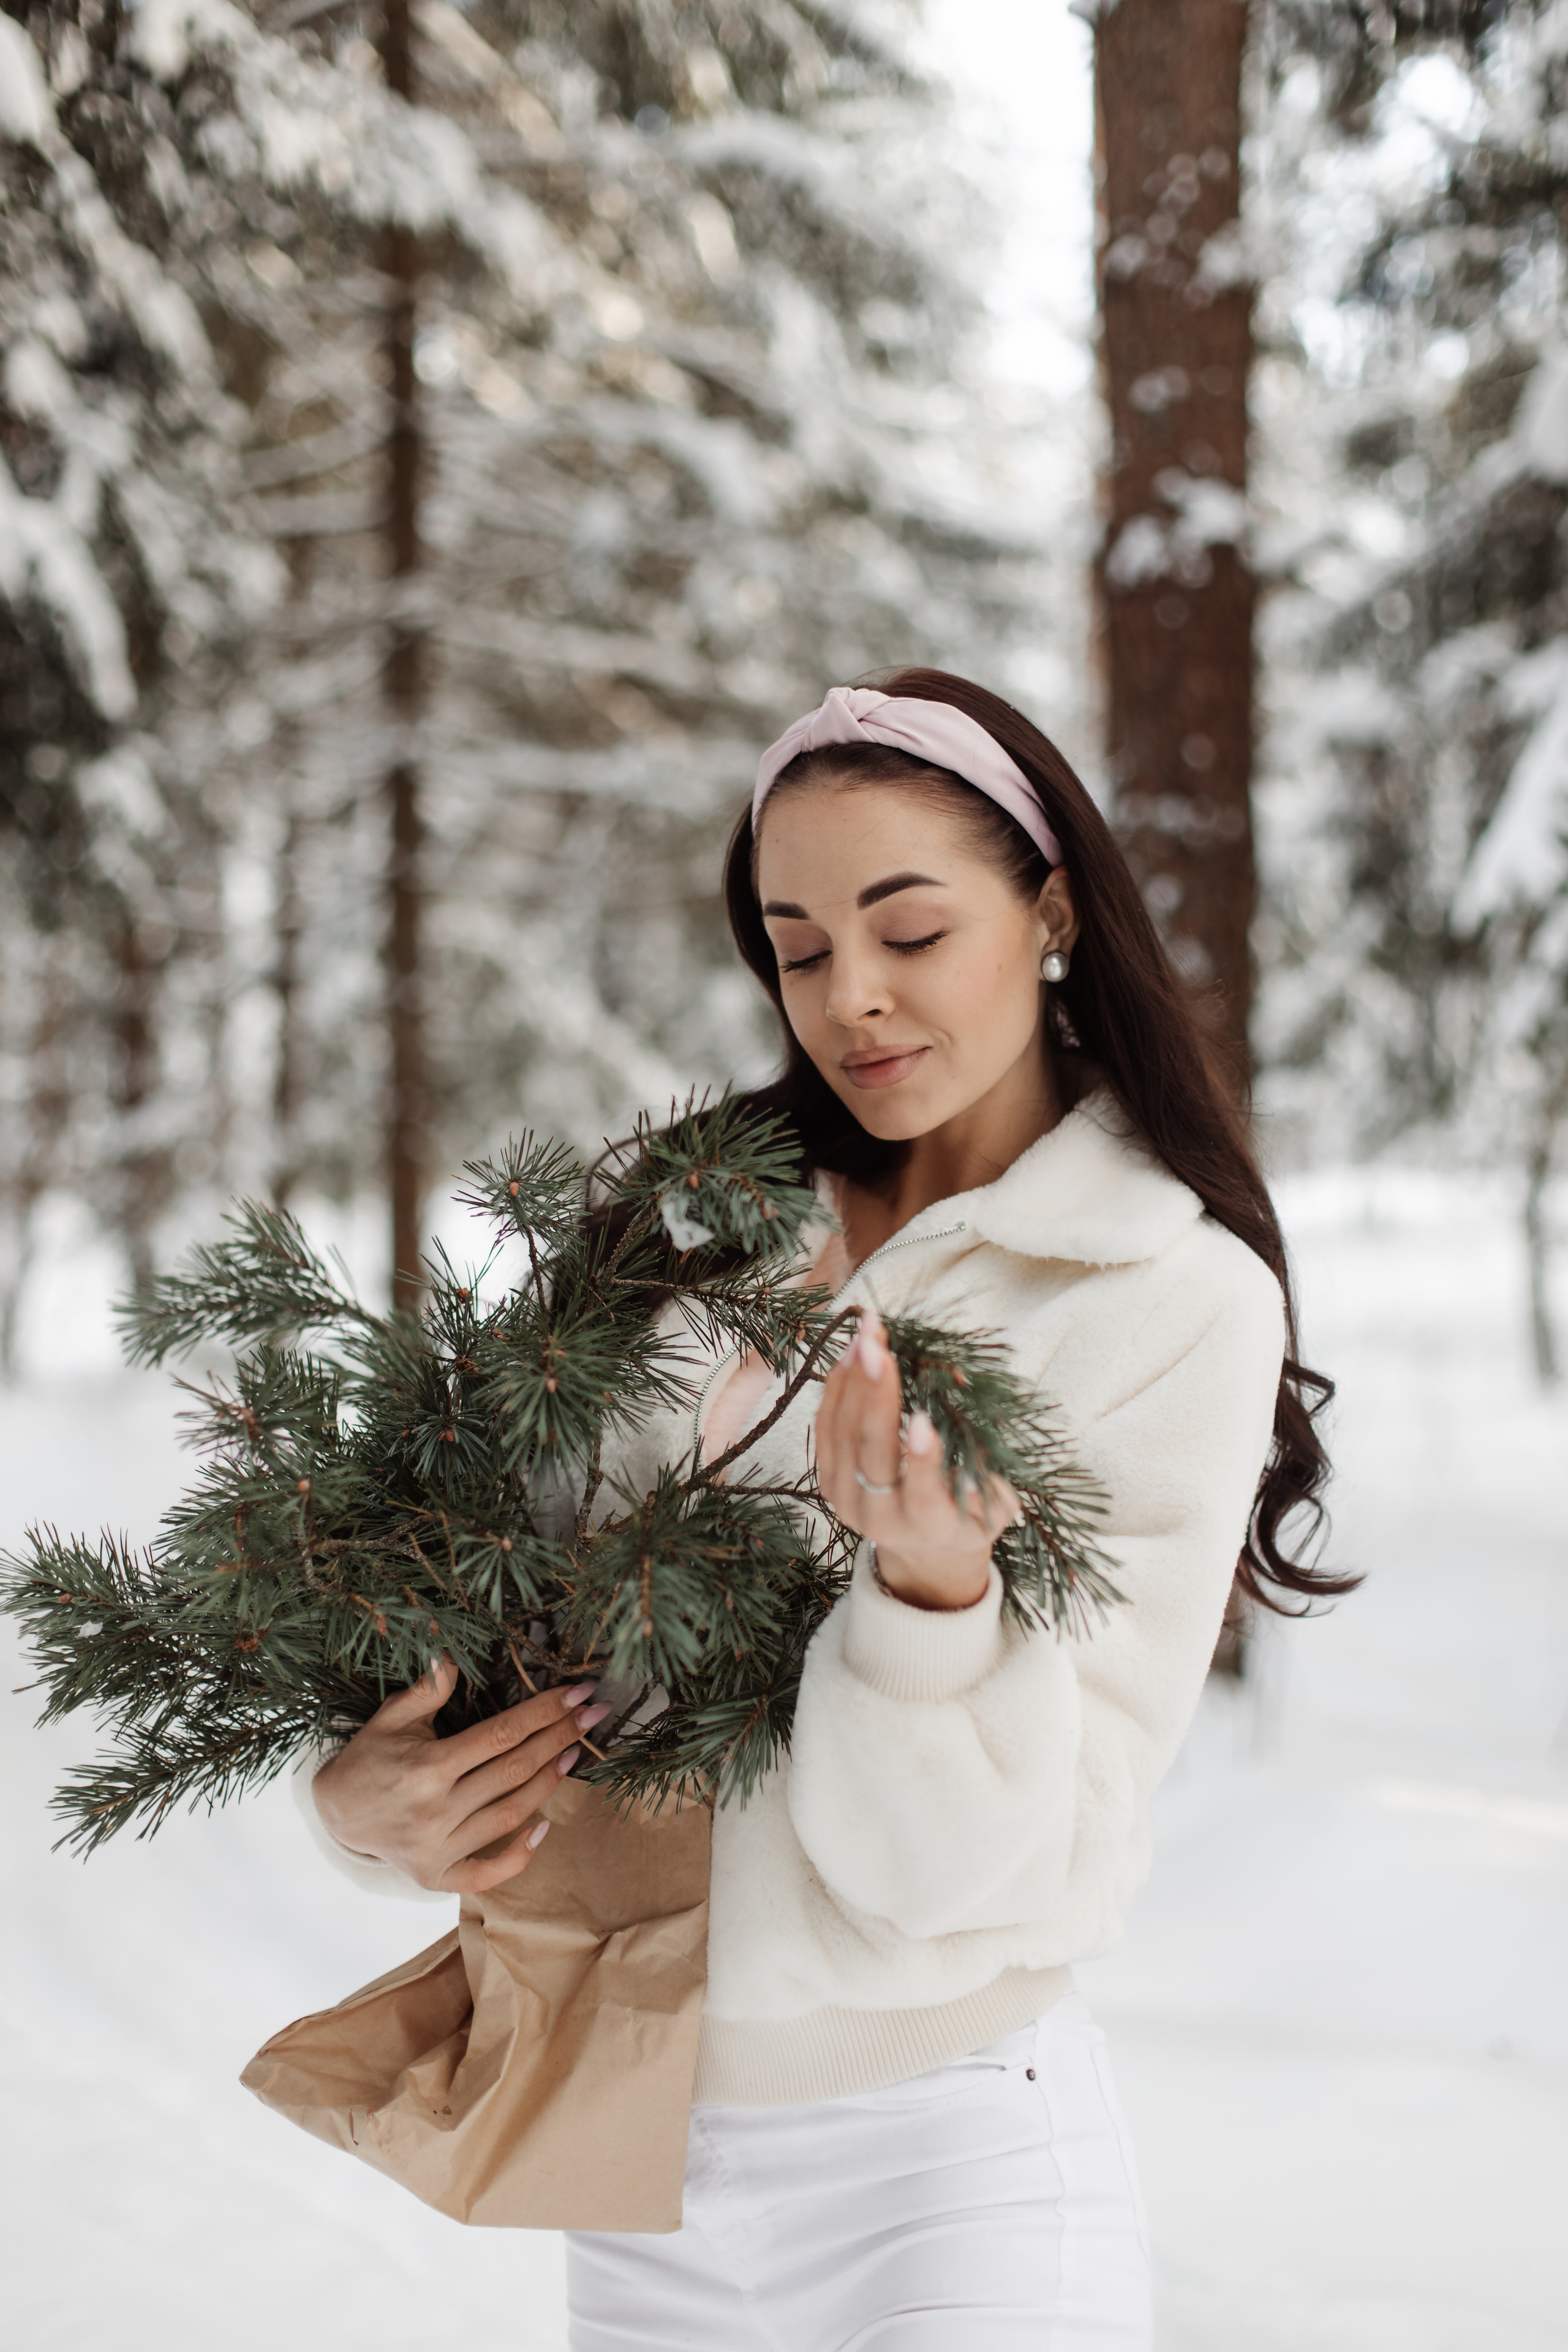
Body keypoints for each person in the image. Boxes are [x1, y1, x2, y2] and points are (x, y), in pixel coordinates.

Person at [303, 669, 1343, 2348]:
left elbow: (982, 1874)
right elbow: (486, 1623)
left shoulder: (1164, 1300)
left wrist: (936, 1609)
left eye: (910, 932)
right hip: (645, 2154)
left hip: (948, 2174)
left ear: (1053, 908)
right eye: (798, 948)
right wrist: (375, 1800)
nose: (850, 997)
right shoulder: (683, 1239)